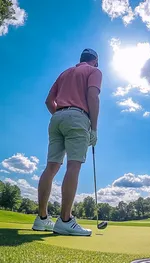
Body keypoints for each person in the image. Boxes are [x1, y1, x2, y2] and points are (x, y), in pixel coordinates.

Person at [32, 49, 102, 236]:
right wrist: (94, 129)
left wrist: (61, 116)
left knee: (51, 167)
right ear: (95, 60)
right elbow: (93, 97)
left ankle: (42, 218)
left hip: (57, 117)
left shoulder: (65, 73)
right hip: (78, 117)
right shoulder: (94, 71)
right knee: (73, 166)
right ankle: (65, 220)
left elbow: (49, 101)